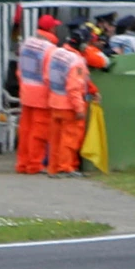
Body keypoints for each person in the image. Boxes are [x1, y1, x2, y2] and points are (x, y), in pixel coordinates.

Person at [13, 14, 57, 175]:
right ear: (52, 29)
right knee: (39, 132)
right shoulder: (50, 49)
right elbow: (48, 75)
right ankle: (35, 164)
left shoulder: (26, 45)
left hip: (26, 92)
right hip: (41, 96)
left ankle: (22, 163)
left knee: (25, 130)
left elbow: (19, 71)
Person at [45, 29, 91, 176]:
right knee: (69, 139)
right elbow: (74, 88)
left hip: (54, 102)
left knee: (56, 138)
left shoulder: (55, 54)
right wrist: (79, 108)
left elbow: (46, 78)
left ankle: (53, 168)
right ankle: (65, 167)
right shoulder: (77, 62)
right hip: (69, 106)